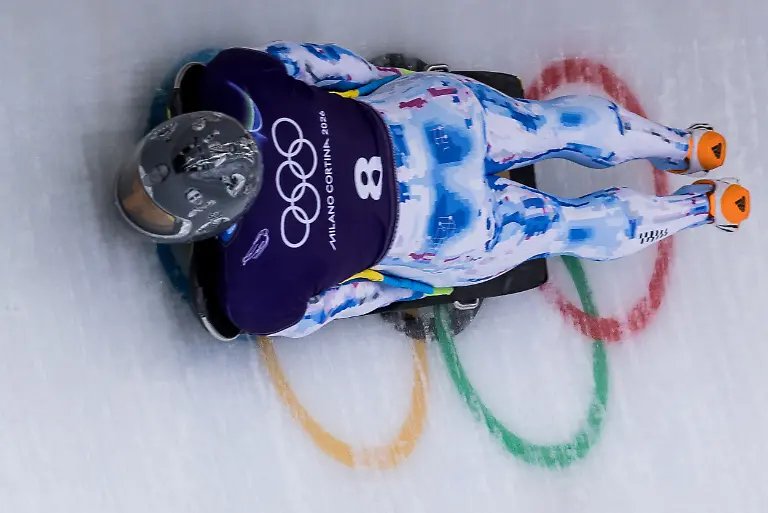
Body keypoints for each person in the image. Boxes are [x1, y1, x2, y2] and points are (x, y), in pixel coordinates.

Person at [115, 41, 751, 338]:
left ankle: (701, 209)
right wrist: (385, 80)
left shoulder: (256, 290)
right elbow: (329, 64)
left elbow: (354, 297)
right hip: (433, 119)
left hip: (448, 228)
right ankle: (685, 146)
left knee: (558, 228)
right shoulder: (236, 80)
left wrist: (414, 286)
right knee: (542, 128)